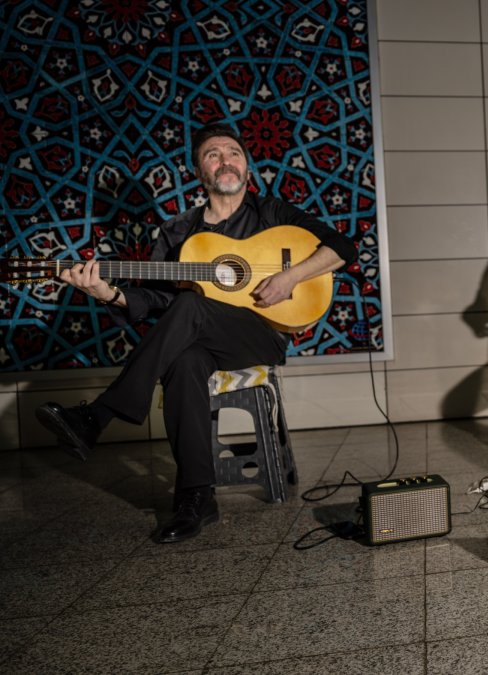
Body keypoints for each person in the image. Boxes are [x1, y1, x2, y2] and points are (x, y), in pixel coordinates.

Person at [35, 122, 357, 542]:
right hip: (200, 337)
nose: (225, 159)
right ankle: (196, 497)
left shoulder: (273, 213)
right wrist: (107, 293)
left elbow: (342, 248)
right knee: (184, 361)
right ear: (199, 171)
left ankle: (100, 414)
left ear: (246, 165)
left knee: (191, 305)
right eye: (213, 154)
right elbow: (155, 302)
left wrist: (291, 277)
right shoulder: (178, 232)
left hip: (257, 334)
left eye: (233, 152)